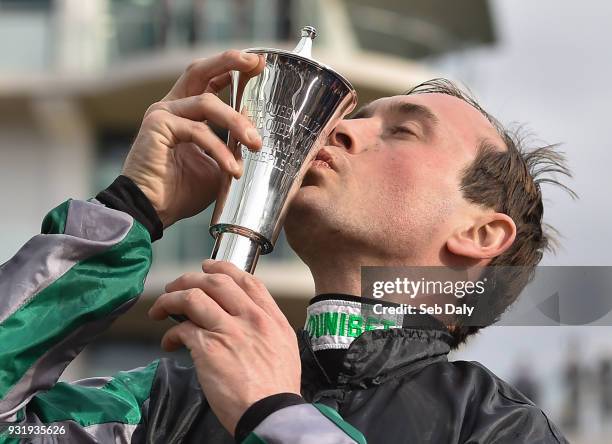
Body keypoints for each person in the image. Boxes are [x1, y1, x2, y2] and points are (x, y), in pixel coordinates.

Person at [0, 50, 570, 443]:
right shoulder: (160, 399)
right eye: (358, 118)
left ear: (480, 235)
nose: (339, 130)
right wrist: (131, 207)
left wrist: (274, 413)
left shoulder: (499, 429)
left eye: (403, 131)